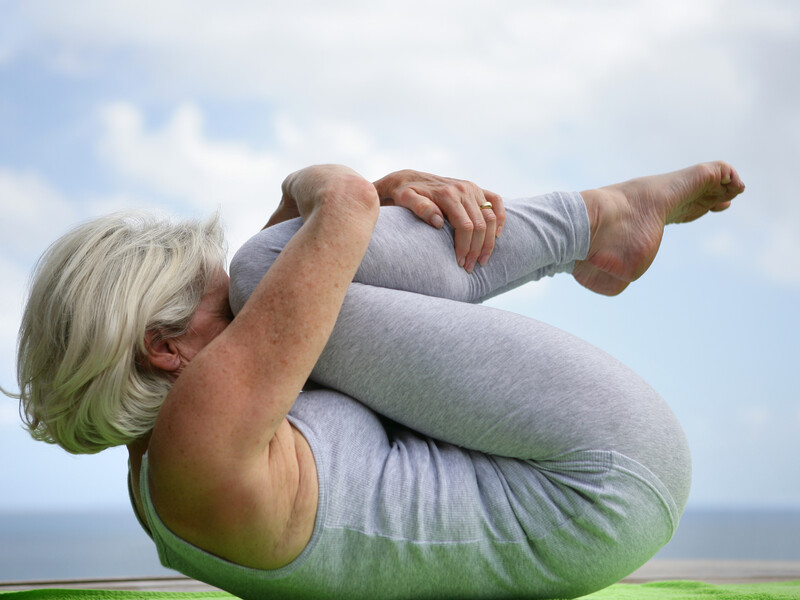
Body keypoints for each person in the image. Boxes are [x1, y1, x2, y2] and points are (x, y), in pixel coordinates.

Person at [10, 162, 745, 599]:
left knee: (283, 263)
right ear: (165, 349)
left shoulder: (166, 473)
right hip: (603, 473)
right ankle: (594, 222)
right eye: (222, 306)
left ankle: (597, 227)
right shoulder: (199, 441)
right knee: (268, 264)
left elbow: (317, 268)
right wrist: (319, 182)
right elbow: (342, 208)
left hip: (598, 510)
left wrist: (379, 199)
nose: (245, 314)